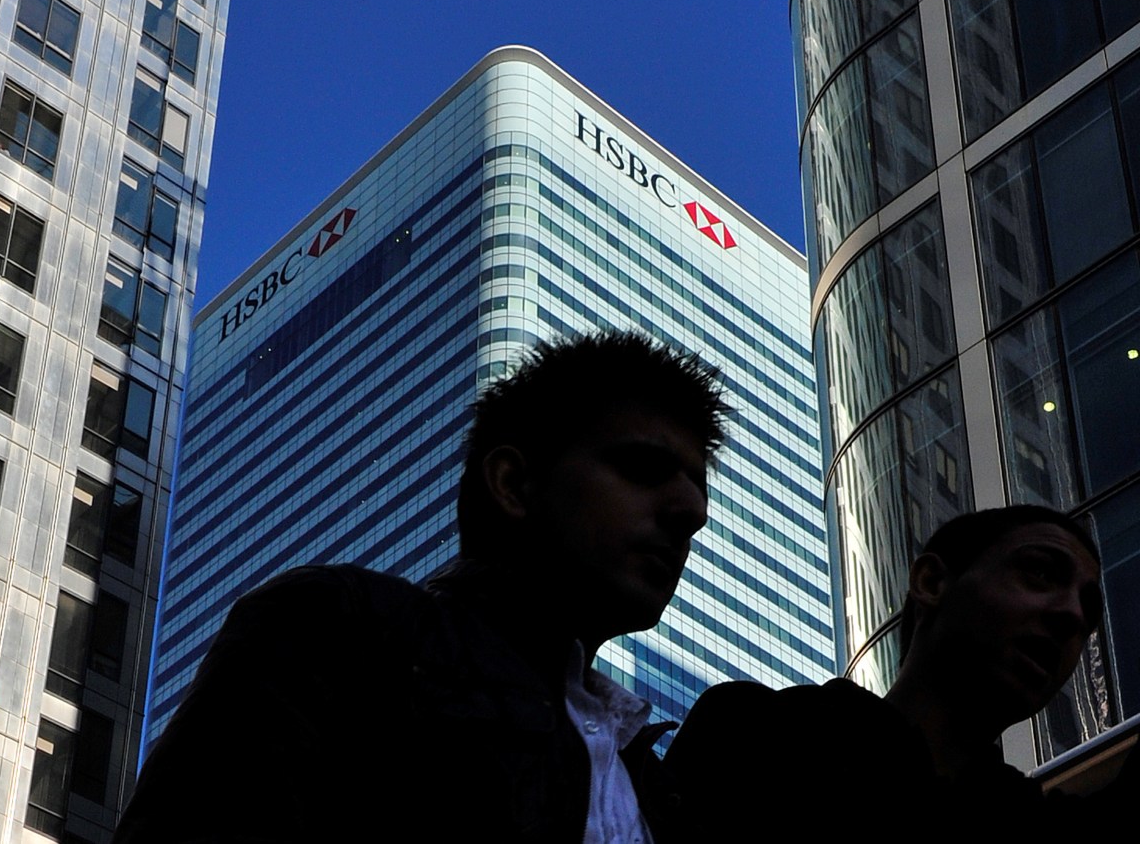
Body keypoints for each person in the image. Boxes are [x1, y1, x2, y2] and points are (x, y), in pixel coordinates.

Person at [114, 331, 731, 842]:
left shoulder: (654, 783)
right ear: (514, 485)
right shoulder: (339, 630)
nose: (689, 509)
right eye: (643, 469)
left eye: (696, 486)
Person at [658, 504, 1133, 833]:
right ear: (931, 581)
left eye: (1088, 612)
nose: (1072, 615)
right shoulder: (753, 731)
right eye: (1041, 572)